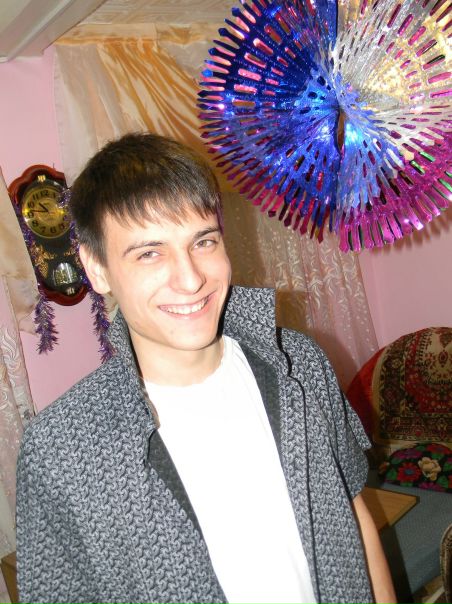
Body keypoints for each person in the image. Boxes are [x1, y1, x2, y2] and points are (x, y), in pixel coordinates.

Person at [16, 133, 396, 604]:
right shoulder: (60, 451)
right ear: (96, 269)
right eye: (150, 252)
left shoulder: (299, 364)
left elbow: (354, 508)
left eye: (203, 241)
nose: (191, 278)